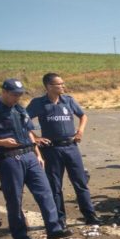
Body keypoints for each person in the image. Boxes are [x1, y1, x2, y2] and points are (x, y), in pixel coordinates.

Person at [0, 79, 72, 239]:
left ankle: (54, 230)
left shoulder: (19, 108)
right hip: (10, 158)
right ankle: (21, 237)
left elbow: (28, 131)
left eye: (19, 95)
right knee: (14, 200)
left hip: (30, 156)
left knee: (45, 193)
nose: (17, 98)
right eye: (14, 94)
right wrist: (1, 142)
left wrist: (38, 154)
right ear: (4, 92)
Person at [26, 73, 101, 228]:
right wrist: (36, 138)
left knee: (80, 183)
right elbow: (23, 122)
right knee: (55, 186)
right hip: (51, 150)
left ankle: (90, 216)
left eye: (62, 83)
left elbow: (83, 116)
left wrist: (80, 131)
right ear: (48, 86)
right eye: (59, 84)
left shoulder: (68, 100)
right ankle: (60, 220)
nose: (63, 86)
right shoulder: (38, 103)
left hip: (71, 147)